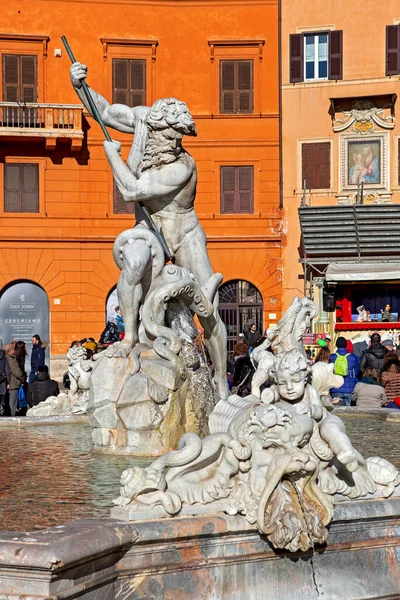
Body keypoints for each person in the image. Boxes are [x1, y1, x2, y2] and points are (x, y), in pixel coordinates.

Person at [70, 62, 228, 400]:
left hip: (184, 231)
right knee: (134, 262)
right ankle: (129, 337)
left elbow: (131, 191)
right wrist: (79, 85)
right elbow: (104, 112)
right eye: (171, 136)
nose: (176, 143)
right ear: (156, 127)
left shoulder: (182, 167)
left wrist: (112, 156)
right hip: (148, 228)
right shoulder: (142, 120)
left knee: (209, 310)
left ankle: (222, 380)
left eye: (179, 138)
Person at [329, 336, 359, 406]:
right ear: (346, 345)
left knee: (336, 411)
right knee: (347, 412)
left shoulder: (332, 357)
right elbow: (356, 373)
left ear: (336, 345)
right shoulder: (353, 357)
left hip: (335, 388)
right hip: (349, 388)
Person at [5, 342, 26, 417]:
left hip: (8, 384)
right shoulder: (11, 359)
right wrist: (23, 377)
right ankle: (11, 421)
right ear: (10, 351)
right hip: (13, 384)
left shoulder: (5, 358)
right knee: (12, 405)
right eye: (13, 349)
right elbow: (16, 371)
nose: (15, 350)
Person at [0, 348, 10, 416]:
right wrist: (8, 382)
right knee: (2, 398)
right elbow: (8, 372)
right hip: (2, 382)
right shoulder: (5, 360)